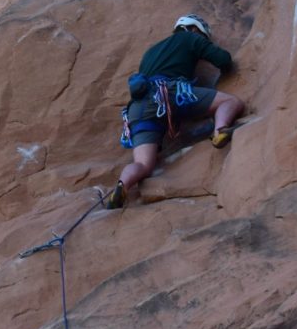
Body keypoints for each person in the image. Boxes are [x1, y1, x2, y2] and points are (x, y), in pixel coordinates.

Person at [103, 14, 244, 209]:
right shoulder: (189, 37)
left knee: (144, 164)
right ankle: (220, 131)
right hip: (166, 94)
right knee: (230, 102)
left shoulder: (151, 52)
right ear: (194, 29)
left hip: (137, 107)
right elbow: (223, 60)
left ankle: (123, 185)